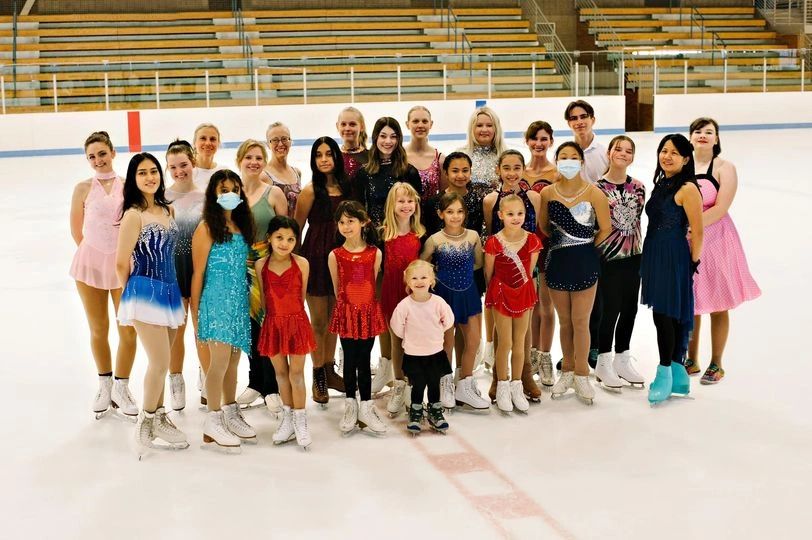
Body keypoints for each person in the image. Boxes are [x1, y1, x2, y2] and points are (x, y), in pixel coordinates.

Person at [116, 153, 188, 454]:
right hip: (145, 291)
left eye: (154, 171)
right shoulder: (133, 215)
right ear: (134, 179)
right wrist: (133, 295)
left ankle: (159, 417)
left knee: (165, 360)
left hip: (169, 291)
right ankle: (146, 421)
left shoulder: (167, 209)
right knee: (159, 363)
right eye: (142, 173)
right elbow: (121, 262)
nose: (150, 177)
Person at [686, 118, 761, 384]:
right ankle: (691, 359)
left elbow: (720, 208)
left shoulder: (725, 168)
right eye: (698, 132)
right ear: (691, 137)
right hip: (686, 238)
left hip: (715, 238)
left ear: (717, 139)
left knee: (718, 302)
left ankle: (716, 362)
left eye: (709, 132)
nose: (703, 135)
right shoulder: (684, 164)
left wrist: (694, 226)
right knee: (690, 302)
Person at [70, 131, 138, 420]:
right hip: (90, 264)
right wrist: (96, 257)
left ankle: (122, 386)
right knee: (98, 328)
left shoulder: (128, 186)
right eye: (92, 156)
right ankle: (104, 383)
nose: (97, 160)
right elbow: (77, 230)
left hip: (124, 265)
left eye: (101, 153)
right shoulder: (83, 188)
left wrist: (120, 257)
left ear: (112, 152)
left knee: (128, 329)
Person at [538, 142, 611, 406]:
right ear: (557, 161)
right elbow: (544, 227)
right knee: (565, 321)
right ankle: (567, 370)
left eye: (573, 157)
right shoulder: (547, 193)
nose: (568, 161)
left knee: (581, 321)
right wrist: (563, 243)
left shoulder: (594, 193)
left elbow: (605, 228)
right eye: (563, 157)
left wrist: (585, 245)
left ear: (581, 162)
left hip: (585, 261)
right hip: (557, 260)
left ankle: (582, 374)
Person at [191, 169, 256, 452]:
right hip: (215, 302)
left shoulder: (243, 227)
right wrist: (196, 315)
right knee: (217, 363)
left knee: (232, 361)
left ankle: (230, 409)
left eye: (234, 189)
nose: (229, 194)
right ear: (213, 194)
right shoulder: (206, 228)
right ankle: (212, 419)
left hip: (239, 303)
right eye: (223, 190)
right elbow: (197, 274)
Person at [640, 134, 704, 405]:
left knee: (666, 315)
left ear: (686, 159)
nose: (666, 156)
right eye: (663, 151)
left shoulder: (688, 188)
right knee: (665, 314)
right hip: (654, 253)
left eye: (674, 153)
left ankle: (665, 371)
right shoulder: (663, 182)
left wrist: (692, 263)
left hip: (673, 256)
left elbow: (698, 231)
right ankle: (678, 375)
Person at [294, 137, 350, 406]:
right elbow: (296, 227)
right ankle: (317, 374)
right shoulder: (309, 191)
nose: (325, 159)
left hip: (341, 258)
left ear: (337, 157)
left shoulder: (346, 188)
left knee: (334, 319)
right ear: (314, 160)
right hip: (315, 258)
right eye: (319, 155)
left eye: (329, 154)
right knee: (318, 321)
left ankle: (329, 369)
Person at [482, 150, 542, 403]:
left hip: (525, 268)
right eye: (506, 167)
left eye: (517, 167)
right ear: (498, 169)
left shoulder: (533, 198)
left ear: (523, 168)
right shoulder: (491, 201)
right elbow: (489, 230)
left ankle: (523, 376)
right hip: (501, 272)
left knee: (522, 336)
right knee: (502, 337)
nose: (512, 172)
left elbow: (538, 228)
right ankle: (500, 379)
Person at [421, 192, 490, 412]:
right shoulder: (435, 239)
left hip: (469, 293)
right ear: (441, 214)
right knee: (446, 344)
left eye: (460, 211)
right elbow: (422, 265)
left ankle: (465, 384)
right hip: (444, 295)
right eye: (450, 212)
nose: (455, 216)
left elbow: (479, 263)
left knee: (473, 340)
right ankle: (445, 383)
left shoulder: (473, 236)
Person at [233, 140, 288, 414]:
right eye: (248, 157)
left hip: (269, 265)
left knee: (269, 324)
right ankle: (255, 381)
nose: (253, 162)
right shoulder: (231, 193)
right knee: (249, 326)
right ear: (239, 160)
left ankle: (272, 386)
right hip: (239, 266)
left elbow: (287, 233)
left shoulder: (274, 193)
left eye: (258, 157)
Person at [256, 216, 316, 450]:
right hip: (273, 323)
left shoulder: (301, 263)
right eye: (279, 238)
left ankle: (301, 419)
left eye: (290, 239)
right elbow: (264, 298)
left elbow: (300, 298)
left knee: (296, 374)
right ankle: (288, 418)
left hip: (296, 322)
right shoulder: (261, 265)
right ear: (269, 238)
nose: (284, 243)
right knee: (280, 373)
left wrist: (292, 318)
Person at [328, 201, 388, 436]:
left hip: (367, 313)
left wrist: (363, 308)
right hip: (347, 313)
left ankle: (366, 406)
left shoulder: (375, 253)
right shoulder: (336, 255)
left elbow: (372, 283)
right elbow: (337, 287)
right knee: (350, 360)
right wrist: (348, 310)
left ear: (363, 222)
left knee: (364, 360)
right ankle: (350, 404)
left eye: (350, 221)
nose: (345, 226)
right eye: (341, 222)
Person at [595, 136, 646, 390]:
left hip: (634, 256)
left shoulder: (638, 187)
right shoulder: (598, 188)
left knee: (630, 309)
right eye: (618, 149)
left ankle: (622, 357)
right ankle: (603, 360)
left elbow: (636, 221)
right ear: (609, 152)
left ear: (633, 157)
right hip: (608, 258)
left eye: (628, 151)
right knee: (610, 309)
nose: (623, 154)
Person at [390, 260, 455, 435]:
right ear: (408, 282)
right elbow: (396, 326)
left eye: (424, 277)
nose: (419, 281)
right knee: (417, 385)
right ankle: (416, 411)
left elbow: (448, 320)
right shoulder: (404, 305)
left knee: (434, 383)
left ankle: (435, 410)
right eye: (415, 278)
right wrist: (410, 339)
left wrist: (437, 331)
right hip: (414, 354)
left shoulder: (438, 302)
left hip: (435, 353)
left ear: (432, 280)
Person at [165, 139, 206, 411]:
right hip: (172, 270)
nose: (180, 170)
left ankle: (207, 376)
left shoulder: (205, 197)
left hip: (200, 270)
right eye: (173, 167)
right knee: (175, 331)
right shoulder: (162, 197)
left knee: (201, 329)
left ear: (193, 162)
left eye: (184, 165)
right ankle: (176, 380)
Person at [378, 182, 424, 414]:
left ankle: (413, 387)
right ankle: (399, 384)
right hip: (390, 292)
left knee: (414, 342)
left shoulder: (420, 234)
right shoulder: (383, 234)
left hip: (413, 295)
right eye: (401, 201)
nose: (406, 205)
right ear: (392, 205)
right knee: (397, 342)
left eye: (410, 201)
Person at [523, 121, 558, 388]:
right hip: (522, 246)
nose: (539, 143)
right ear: (527, 141)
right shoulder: (518, 171)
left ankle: (545, 355)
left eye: (544, 139)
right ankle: (532, 353)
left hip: (547, 244)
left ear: (551, 142)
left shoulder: (556, 173)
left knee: (546, 304)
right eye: (534, 139)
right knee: (531, 304)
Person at [356, 116, 422, 229]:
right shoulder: (364, 173)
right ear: (375, 137)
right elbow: (359, 209)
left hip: (403, 235)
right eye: (383, 136)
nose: (388, 141)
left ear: (398, 139)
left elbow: (417, 209)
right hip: (375, 236)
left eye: (393, 137)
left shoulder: (409, 172)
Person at [456, 106, 507, 202]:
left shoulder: (504, 156)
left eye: (489, 125)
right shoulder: (460, 155)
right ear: (472, 128)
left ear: (496, 128)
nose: (484, 130)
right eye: (479, 125)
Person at [405, 105, 445, 204]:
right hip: (406, 215)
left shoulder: (440, 159)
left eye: (424, 121)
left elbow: (445, 197)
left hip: (432, 216)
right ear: (407, 124)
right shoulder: (399, 157)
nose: (420, 125)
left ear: (431, 124)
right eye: (415, 121)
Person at [564, 100, 607, 184]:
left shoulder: (606, 154)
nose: (579, 122)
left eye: (583, 116)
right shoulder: (562, 154)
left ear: (593, 120)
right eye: (574, 118)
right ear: (569, 124)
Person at [264, 121, 302, 215]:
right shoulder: (263, 175)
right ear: (268, 144)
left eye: (284, 139)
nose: (280, 144)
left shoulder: (297, 173)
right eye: (275, 140)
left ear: (290, 141)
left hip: (295, 229)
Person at [336, 106, 369, 188]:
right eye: (343, 124)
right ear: (337, 126)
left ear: (362, 127)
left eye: (352, 124)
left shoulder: (371, 157)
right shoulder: (334, 158)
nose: (347, 128)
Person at [192, 123, 226, 189]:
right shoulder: (186, 171)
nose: (208, 143)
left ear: (218, 143)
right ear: (194, 143)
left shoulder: (224, 172)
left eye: (212, 139)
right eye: (203, 138)